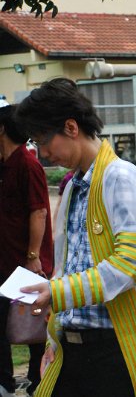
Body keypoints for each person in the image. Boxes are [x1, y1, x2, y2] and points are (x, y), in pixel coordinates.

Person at [14, 78, 136, 397]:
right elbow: (68, 267)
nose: (43, 153)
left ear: (71, 127)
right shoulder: (74, 187)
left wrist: (58, 292)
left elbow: (132, 262)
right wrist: (53, 334)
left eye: (44, 140)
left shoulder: (121, 179)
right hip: (72, 352)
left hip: (114, 353)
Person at [0, 103, 53, 397]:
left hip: (26, 263)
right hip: (4, 261)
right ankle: (5, 383)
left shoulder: (27, 164)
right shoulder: (4, 164)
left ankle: (38, 383)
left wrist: (33, 256)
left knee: (33, 327)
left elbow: (39, 212)